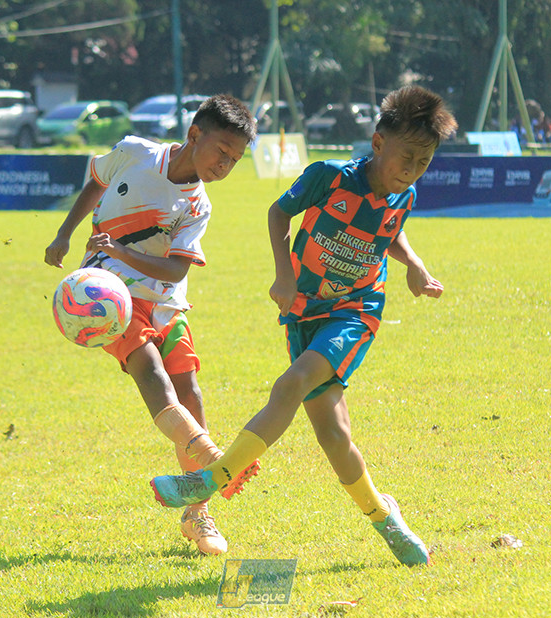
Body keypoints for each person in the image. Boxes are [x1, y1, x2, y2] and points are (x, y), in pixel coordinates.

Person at [150, 85, 458, 567]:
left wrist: (413, 265)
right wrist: (285, 274)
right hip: (302, 312)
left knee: (291, 384)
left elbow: (389, 232)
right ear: (378, 143)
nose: (412, 170)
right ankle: (385, 517)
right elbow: (278, 213)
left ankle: (212, 478)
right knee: (334, 436)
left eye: (423, 162)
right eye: (407, 157)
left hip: (355, 310)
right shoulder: (329, 178)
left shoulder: (406, 194)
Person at [44, 94, 260, 556]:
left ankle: (197, 514)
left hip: (165, 303)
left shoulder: (198, 207)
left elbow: (176, 271)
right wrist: (65, 233)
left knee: (191, 392)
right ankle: (211, 458)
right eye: (221, 151)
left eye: (235, 160)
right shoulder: (136, 152)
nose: (225, 165)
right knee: (150, 372)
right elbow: (96, 182)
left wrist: (123, 250)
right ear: (194, 134)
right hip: (110, 297)